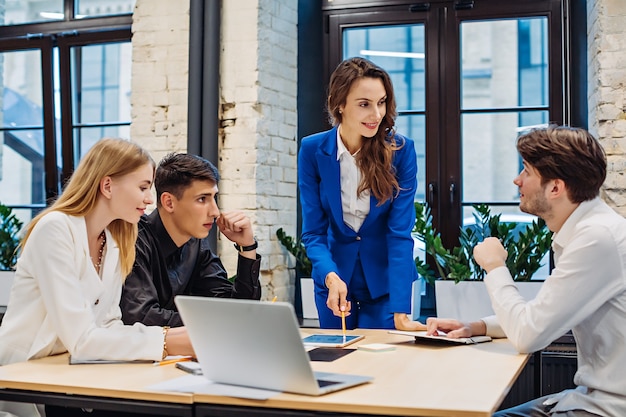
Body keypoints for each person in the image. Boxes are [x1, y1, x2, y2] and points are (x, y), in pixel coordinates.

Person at [426, 125, 626, 417]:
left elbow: (528, 335)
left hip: (607, 409)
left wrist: (494, 266)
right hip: (585, 398)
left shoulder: (596, 238)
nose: (517, 180)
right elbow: (545, 314)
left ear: (555, 187)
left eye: (526, 171)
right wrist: (476, 326)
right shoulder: (591, 230)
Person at [0, 138, 194, 417]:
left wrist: (174, 336)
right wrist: (167, 340)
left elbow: (108, 324)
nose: (150, 199)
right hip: (26, 376)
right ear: (107, 186)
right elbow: (81, 339)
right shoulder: (55, 229)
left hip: (70, 375)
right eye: (143, 187)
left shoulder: (114, 240)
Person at [298, 57, 424, 331]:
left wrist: (401, 310)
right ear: (339, 104)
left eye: (381, 102)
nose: (377, 114)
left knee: (384, 365)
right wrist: (330, 276)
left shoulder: (401, 152)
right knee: (338, 362)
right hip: (334, 280)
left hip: (385, 284)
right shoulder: (312, 150)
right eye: (364, 104)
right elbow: (313, 233)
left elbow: (400, 233)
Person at [120, 153, 261, 327]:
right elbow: (142, 316)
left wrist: (247, 248)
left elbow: (235, 309)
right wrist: (219, 322)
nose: (215, 212)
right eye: (202, 199)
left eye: (213, 198)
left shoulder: (196, 243)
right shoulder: (134, 238)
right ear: (169, 202)